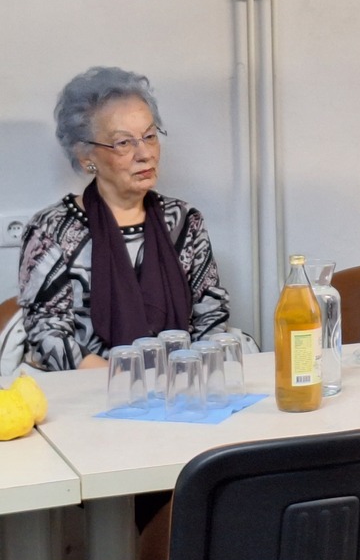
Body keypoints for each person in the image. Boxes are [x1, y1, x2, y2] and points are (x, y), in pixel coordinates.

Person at [18, 66, 230, 371]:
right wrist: (125, 381)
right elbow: (47, 333)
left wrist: (187, 379)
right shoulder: (51, 229)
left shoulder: (185, 222)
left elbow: (211, 316)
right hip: (93, 386)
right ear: (86, 157)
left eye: (150, 136)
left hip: (181, 382)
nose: (145, 154)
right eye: (124, 143)